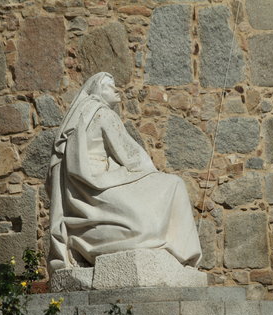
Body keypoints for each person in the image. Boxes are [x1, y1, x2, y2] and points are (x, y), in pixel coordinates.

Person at [47, 72, 202, 273]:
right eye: (111, 87)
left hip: (82, 190)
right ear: (99, 91)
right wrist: (152, 175)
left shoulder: (79, 116)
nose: (117, 90)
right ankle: (184, 254)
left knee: (144, 210)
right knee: (173, 184)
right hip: (101, 181)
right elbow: (131, 155)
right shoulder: (103, 113)